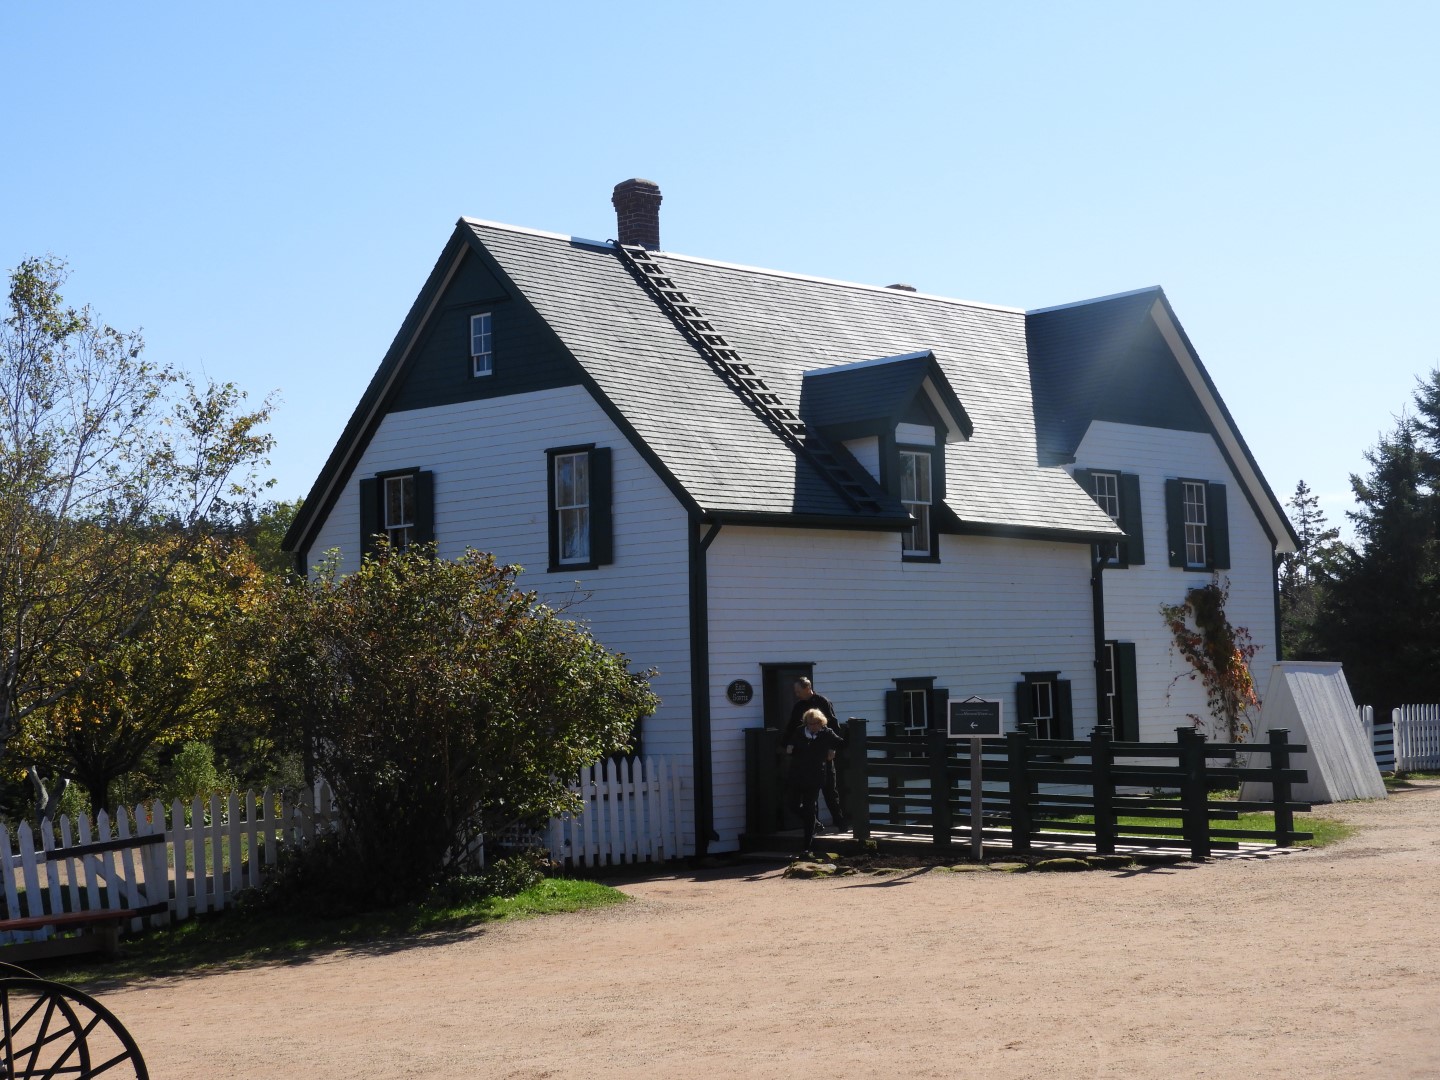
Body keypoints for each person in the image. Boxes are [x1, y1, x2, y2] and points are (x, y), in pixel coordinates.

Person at [785, 678, 846, 833]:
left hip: (823, 753)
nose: (796, 694)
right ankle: (814, 824)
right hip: (807, 757)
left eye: (798, 690)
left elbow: (833, 726)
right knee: (810, 795)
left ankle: (840, 823)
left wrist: (832, 748)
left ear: (807, 688)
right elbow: (792, 727)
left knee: (830, 791)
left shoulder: (823, 702)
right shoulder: (798, 706)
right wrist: (785, 744)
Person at [785, 708, 843, 853]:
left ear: (821, 722)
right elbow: (790, 744)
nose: (812, 726)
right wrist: (790, 748)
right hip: (797, 774)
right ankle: (816, 824)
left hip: (815, 776)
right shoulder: (800, 731)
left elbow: (841, 743)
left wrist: (832, 749)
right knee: (792, 805)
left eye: (815, 723)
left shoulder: (826, 733)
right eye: (810, 723)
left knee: (809, 807)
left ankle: (807, 846)